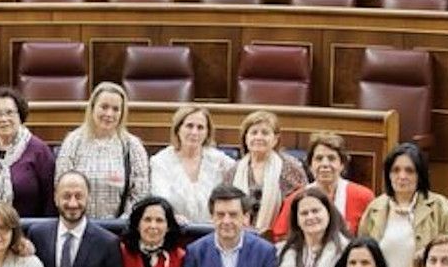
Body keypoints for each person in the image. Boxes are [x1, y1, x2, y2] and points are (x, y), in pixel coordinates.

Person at [358, 143, 448, 267]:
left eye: (409, 170)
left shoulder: (442, 209)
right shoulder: (375, 209)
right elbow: (361, 254)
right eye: (396, 170)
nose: (402, 176)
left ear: (420, 175)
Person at [54, 81, 149, 219]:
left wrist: (122, 222)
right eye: (104, 107)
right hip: (79, 226)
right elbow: (61, 187)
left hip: (120, 228)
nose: (109, 114)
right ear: (92, 107)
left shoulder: (132, 146)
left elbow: (140, 194)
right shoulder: (73, 142)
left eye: (116, 109)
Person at [0, 86, 56, 216]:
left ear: (20, 114)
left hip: (28, 229)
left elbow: (50, 199)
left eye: (10, 112)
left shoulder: (39, 150)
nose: (4, 119)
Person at [148, 104, 236, 225]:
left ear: (207, 132)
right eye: (189, 126)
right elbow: (159, 199)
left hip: (213, 231)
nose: (194, 132)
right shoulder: (160, 161)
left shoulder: (221, 161)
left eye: (200, 127)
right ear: (178, 129)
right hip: (174, 229)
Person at [271, 132, 372, 238]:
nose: (325, 164)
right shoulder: (295, 199)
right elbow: (280, 237)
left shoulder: (364, 197)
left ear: (342, 164)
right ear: (310, 165)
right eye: (319, 159)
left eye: (331, 158)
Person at [227, 109, 305, 242]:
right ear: (245, 138)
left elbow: (302, 205)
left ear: (275, 139)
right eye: (254, 132)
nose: (259, 137)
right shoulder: (234, 170)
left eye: (265, 133)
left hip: (281, 240)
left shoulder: (290, 168)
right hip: (239, 239)